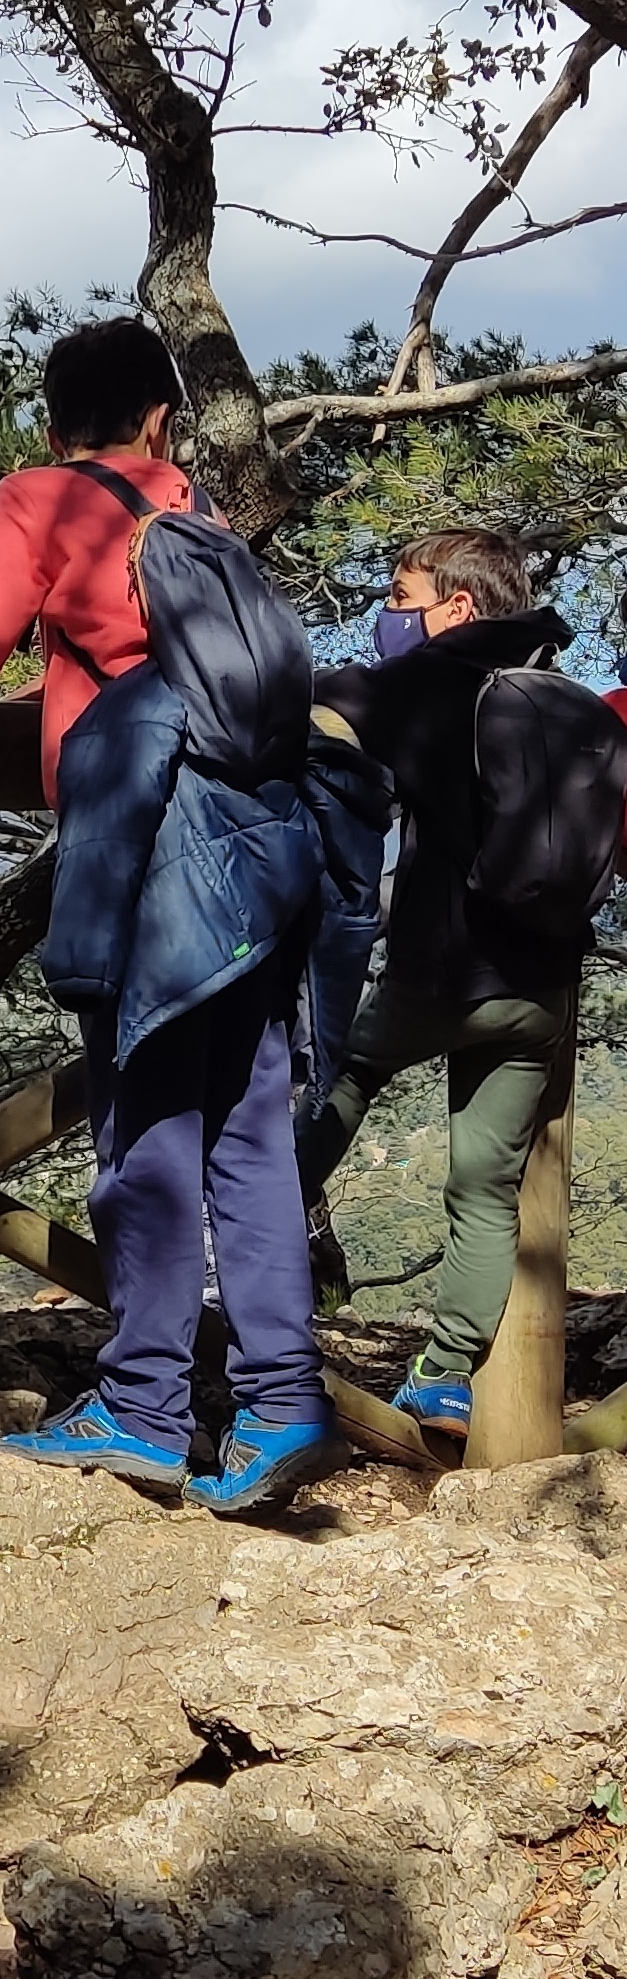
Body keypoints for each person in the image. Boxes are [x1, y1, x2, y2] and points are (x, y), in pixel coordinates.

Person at [0, 317, 349, 1516]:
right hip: (256, 857)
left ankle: (144, 1409)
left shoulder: (40, 497)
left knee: (144, 1137)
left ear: (57, 423)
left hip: (152, 865)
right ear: (162, 421)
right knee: (244, 1130)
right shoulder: (195, 519)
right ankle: (282, 1399)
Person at [300, 529, 596, 1426]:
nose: (386, 615)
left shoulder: (429, 685)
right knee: (484, 1190)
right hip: (540, 991)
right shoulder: (566, 696)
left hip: (442, 975)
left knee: (337, 1079)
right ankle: (443, 1379)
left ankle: (246, 1251)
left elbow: (304, 703)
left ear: (456, 608)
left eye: (399, 595)